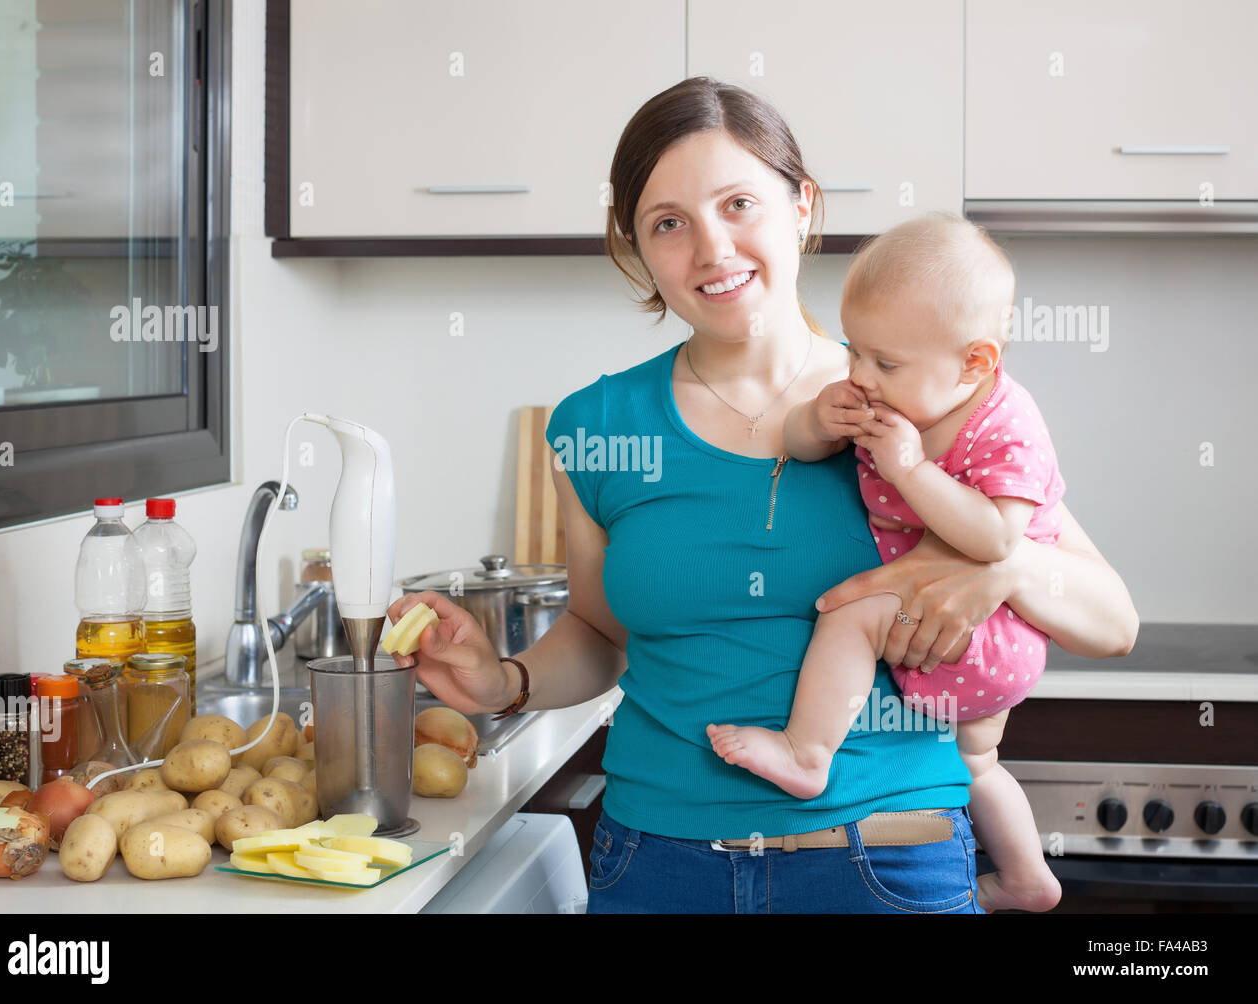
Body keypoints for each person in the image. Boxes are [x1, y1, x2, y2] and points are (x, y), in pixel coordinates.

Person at [387, 77, 1138, 914]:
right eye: (668, 223)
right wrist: (504, 682)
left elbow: (1113, 621)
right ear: (636, 247)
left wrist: (1001, 570)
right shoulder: (595, 426)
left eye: (738, 203)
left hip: (887, 867)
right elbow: (602, 634)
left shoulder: (922, 402)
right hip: (657, 867)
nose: (713, 250)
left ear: (804, 205)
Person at [708, 211, 1071, 913]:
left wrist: (910, 469)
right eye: (854, 353)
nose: (863, 378)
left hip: (989, 633)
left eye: (886, 363)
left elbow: (1000, 539)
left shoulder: (1006, 422)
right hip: (971, 643)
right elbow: (800, 444)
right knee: (977, 763)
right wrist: (818, 421)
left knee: (851, 614)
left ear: (976, 362)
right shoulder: (899, 397)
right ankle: (1029, 878)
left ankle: (806, 754)